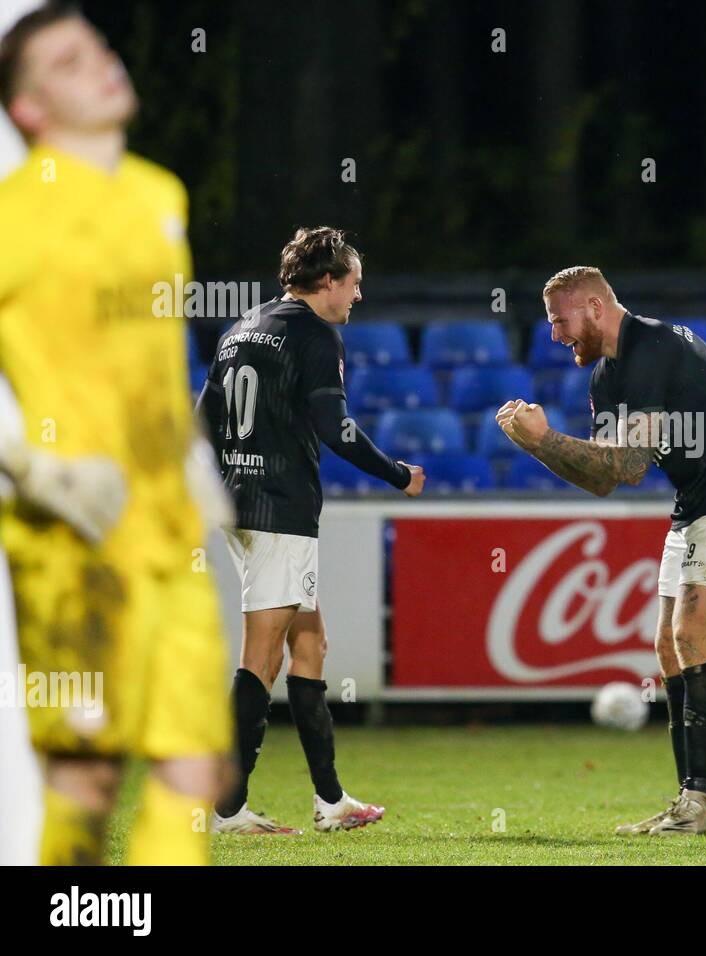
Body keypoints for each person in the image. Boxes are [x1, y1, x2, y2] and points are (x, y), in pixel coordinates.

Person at [0, 2, 232, 864]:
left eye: (93, 46)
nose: (99, 63)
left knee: (192, 767)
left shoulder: (156, 193)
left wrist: (192, 458)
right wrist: (28, 463)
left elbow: (150, 353)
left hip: (167, 530)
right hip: (73, 536)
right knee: (87, 776)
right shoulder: (15, 213)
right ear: (27, 111)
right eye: (65, 64)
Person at [498, 266, 706, 835]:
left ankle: (700, 801)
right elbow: (606, 477)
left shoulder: (652, 350)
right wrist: (538, 447)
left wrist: (543, 440)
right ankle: (694, 796)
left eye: (560, 321)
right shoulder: (607, 375)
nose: (555, 336)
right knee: (669, 648)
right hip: (696, 502)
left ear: (596, 307)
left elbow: (626, 464)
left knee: (692, 635)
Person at [199, 226, 425, 834]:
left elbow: (204, 418)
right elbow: (337, 428)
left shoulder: (241, 328)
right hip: (278, 508)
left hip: (238, 501)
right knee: (261, 656)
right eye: (353, 283)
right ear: (326, 281)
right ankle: (224, 808)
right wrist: (397, 473)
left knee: (311, 645)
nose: (357, 295)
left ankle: (331, 802)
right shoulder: (313, 335)